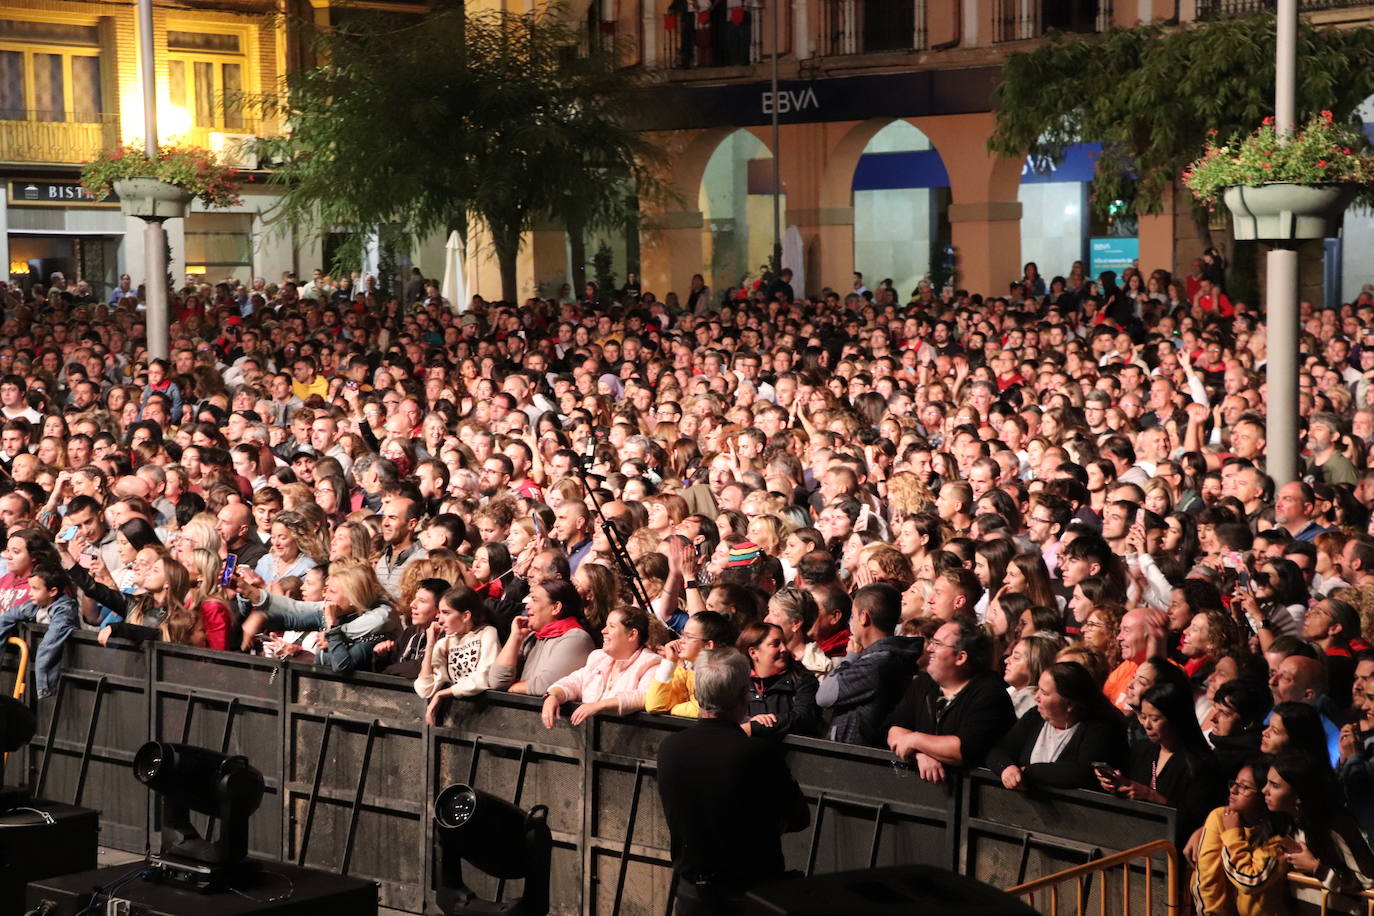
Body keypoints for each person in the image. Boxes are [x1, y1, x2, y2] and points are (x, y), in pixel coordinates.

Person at [655, 648, 809, 915]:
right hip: (748, 894)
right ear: (742, 696)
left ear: (699, 694)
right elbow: (799, 816)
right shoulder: (757, 753)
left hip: (692, 894)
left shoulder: (670, 748)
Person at [884, 616, 1016, 780]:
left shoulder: (989, 692)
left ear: (961, 657)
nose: (929, 648)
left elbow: (962, 749)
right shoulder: (924, 683)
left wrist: (915, 740)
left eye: (937, 644)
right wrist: (918, 754)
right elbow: (895, 728)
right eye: (932, 642)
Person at [1099, 679, 1224, 842]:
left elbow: (1196, 822)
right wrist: (1119, 784)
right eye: (1143, 717)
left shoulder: (1200, 763)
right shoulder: (1144, 749)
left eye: (1155, 719)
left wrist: (1152, 796)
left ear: (1176, 719)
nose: (1147, 725)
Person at [986, 661, 1129, 791]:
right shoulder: (1035, 716)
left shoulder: (1100, 728)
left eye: (1044, 693)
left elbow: (1081, 772)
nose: (1036, 697)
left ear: (1069, 704)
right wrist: (1007, 768)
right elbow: (999, 751)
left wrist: (1028, 772)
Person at [816, 584, 923, 747]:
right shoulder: (886, 657)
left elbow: (824, 696)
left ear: (864, 617)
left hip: (854, 759)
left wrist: (850, 657)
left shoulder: (877, 663)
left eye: (852, 615)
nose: (850, 622)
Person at [1264, 751, 1374, 894]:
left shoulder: (1335, 823)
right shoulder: (1284, 820)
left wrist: (1316, 868)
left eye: (1274, 785)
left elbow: (1368, 879)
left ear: (1299, 795)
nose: (1264, 790)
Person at [1190, 758, 1289, 916]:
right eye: (1234, 783)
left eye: (1244, 787)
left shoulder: (1276, 839)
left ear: (1263, 796)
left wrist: (1233, 835)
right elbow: (1208, 877)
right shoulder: (1220, 816)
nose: (1233, 790)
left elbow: (1249, 881)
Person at [540, 606, 659, 727]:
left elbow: (643, 696)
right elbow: (575, 681)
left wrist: (598, 706)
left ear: (632, 635)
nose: (603, 631)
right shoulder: (598, 658)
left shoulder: (651, 663)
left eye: (611, 626)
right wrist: (553, 696)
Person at [489, 578, 594, 696]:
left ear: (555, 608)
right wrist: (515, 637)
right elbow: (496, 681)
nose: (527, 606)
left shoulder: (577, 639)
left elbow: (544, 687)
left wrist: (510, 687)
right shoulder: (532, 637)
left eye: (534, 600)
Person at [415, 585, 499, 725]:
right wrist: (430, 646)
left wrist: (443, 693)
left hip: (485, 717)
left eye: (446, 613)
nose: (440, 620)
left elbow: (484, 676)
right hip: (456, 720)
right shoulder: (444, 643)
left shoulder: (487, 633)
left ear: (466, 616)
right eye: (440, 613)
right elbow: (425, 689)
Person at [736, 621, 822, 739]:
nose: (784, 649)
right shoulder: (738, 683)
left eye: (784, 642)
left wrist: (756, 727)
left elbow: (804, 716)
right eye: (775, 644)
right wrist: (748, 720)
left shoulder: (802, 679)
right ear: (753, 653)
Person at [646, 611, 738, 718]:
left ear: (708, 645)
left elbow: (707, 710)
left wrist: (675, 709)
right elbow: (654, 705)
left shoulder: (724, 675)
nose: (680, 641)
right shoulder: (686, 672)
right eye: (682, 635)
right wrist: (669, 661)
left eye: (688, 637)